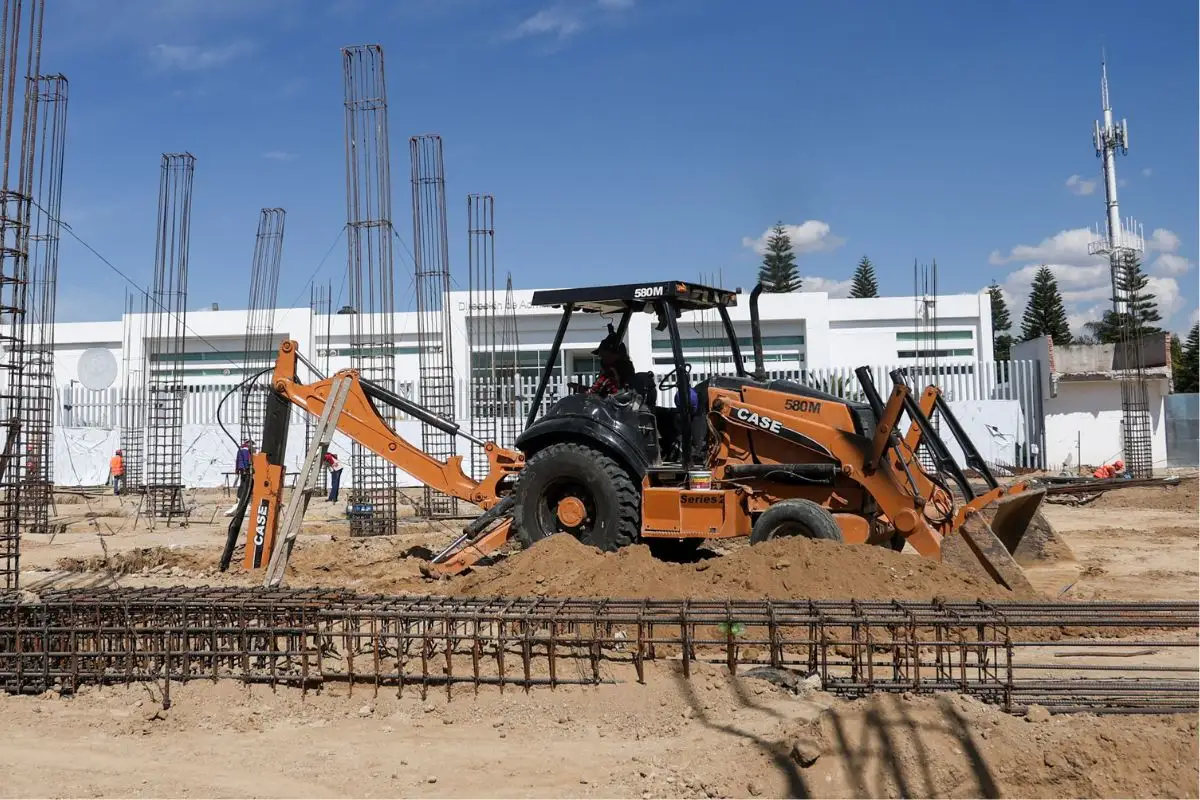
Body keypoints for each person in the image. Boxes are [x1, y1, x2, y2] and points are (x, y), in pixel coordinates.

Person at [571, 330, 635, 398]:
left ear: (614, 353)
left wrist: (578, 388)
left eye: (602, 353)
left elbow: (593, 393)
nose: (600, 357)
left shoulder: (611, 371)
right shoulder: (627, 367)